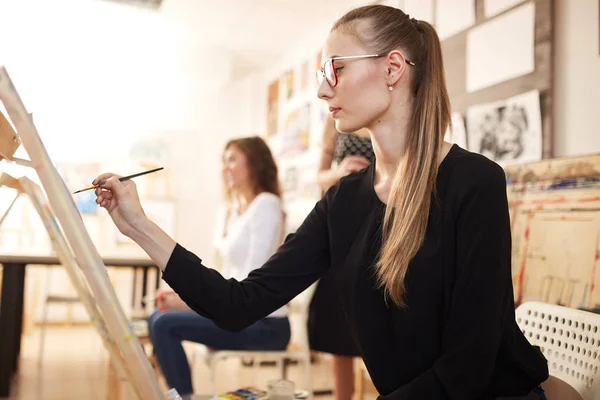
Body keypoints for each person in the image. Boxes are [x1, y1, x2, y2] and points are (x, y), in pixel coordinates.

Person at [94, 5, 549, 399]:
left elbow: (467, 368)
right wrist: (137, 224)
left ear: (392, 69)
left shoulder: (476, 183)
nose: (321, 90)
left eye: (336, 69)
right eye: (320, 75)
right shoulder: (344, 202)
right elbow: (240, 303)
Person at [145, 136, 291, 396]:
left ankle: (183, 397)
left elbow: (251, 281)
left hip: (265, 324)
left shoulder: (267, 205)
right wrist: (189, 298)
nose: (225, 168)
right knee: (157, 316)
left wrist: (193, 304)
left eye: (232, 159)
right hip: (238, 313)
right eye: (224, 161)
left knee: (163, 323)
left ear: (255, 163)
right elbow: (229, 276)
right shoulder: (237, 211)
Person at [310, 113, 373, 400]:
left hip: (379, 218)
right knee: (339, 320)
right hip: (344, 221)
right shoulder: (334, 122)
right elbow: (319, 176)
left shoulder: (385, 117)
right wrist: (341, 172)